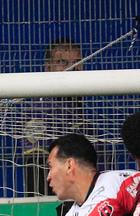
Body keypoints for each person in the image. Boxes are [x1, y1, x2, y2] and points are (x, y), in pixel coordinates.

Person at [23, 39, 86, 196]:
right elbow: (37, 163)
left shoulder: (87, 105)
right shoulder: (38, 107)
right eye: (62, 62)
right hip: (48, 194)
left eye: (77, 62)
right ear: (48, 67)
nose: (72, 69)